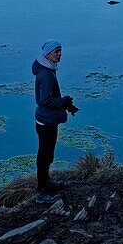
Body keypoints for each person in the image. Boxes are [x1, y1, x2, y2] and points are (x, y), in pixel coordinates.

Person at [31, 39, 79, 203]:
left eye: (60, 51)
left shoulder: (48, 69)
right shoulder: (45, 74)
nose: (59, 54)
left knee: (47, 154)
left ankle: (47, 183)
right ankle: (42, 191)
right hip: (46, 122)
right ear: (47, 54)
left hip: (46, 120)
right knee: (45, 155)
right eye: (56, 51)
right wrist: (64, 101)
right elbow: (45, 100)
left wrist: (67, 105)